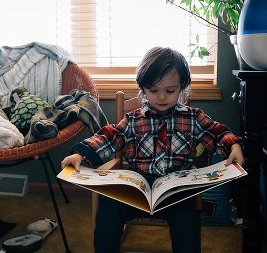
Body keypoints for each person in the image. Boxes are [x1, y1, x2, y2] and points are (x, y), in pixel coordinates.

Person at [60, 47, 244, 253]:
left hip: (176, 191)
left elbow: (217, 132)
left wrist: (233, 145)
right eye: (153, 90)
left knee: (188, 222)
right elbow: (109, 137)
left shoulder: (193, 117)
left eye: (170, 90)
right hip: (139, 189)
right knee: (109, 210)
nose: (162, 97)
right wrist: (80, 154)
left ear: (182, 87)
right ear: (143, 88)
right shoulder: (133, 120)